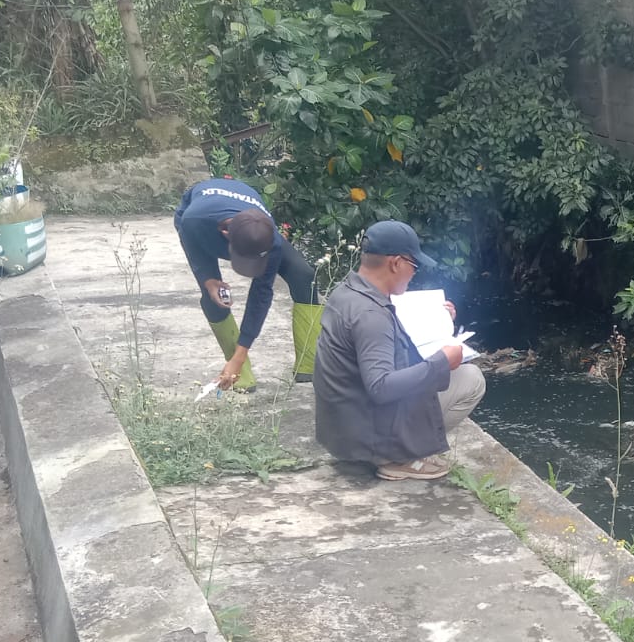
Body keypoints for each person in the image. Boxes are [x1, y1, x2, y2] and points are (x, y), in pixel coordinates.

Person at [313, 219, 486, 481]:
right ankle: (398, 457)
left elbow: (379, 338)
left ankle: (393, 449)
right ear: (395, 263)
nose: (414, 273)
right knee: (471, 378)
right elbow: (381, 387)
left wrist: (438, 320)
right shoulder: (371, 314)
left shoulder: (347, 292)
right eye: (413, 266)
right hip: (366, 439)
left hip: (342, 429)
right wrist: (442, 362)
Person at [174, 177, 323, 391]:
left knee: (303, 274)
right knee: (214, 297)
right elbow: (194, 251)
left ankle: (307, 363)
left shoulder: (269, 237)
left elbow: (261, 295)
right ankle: (237, 373)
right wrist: (208, 280)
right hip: (200, 218)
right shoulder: (193, 221)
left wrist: (240, 354)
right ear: (226, 236)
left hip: (246, 218)